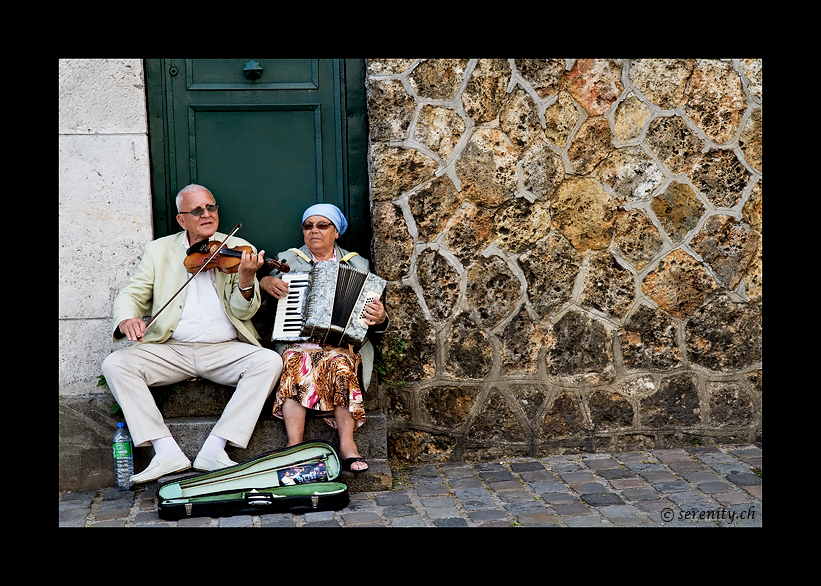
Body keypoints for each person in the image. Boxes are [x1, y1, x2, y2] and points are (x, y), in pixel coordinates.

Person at [101, 184, 284, 483]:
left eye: (211, 207)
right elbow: (130, 295)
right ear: (181, 220)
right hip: (171, 349)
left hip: (224, 349)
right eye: (197, 211)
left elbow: (243, 313)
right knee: (116, 364)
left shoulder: (238, 249)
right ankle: (165, 452)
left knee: (268, 362)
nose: (207, 215)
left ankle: (216, 447)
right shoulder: (159, 250)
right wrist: (127, 319)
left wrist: (247, 279)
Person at [259, 203, 388, 473]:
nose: (314, 231)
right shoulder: (288, 260)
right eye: (308, 226)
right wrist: (264, 283)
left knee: (339, 362)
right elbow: (263, 295)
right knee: (297, 361)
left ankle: (347, 445)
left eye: (322, 225)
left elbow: (371, 320)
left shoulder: (357, 264)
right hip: (298, 341)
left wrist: (379, 318)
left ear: (336, 232)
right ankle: (295, 447)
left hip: (341, 346)